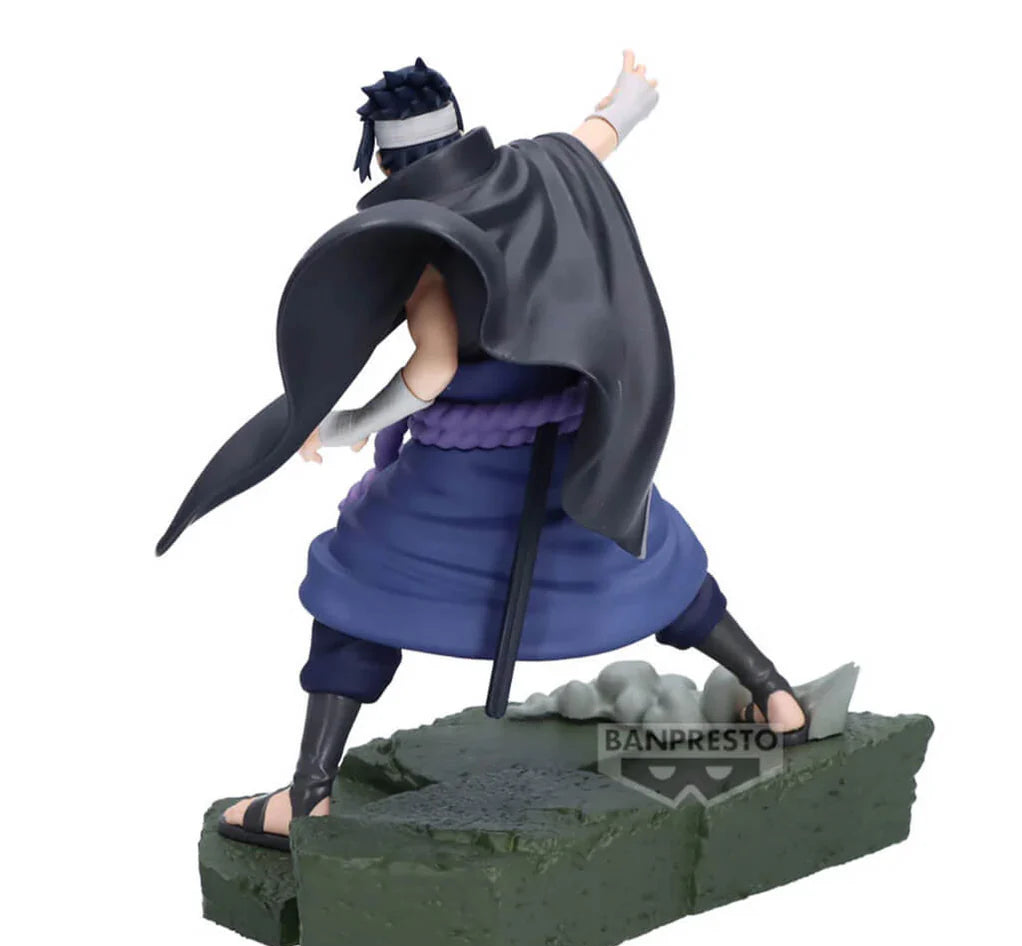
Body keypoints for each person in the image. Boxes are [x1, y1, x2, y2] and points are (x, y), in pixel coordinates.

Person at [158, 53, 808, 852]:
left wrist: (351, 422)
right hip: (576, 457)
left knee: (356, 583)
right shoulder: (543, 174)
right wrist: (628, 98)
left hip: (462, 478)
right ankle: (775, 694)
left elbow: (431, 373)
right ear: (461, 132)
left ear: (385, 164)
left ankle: (309, 795)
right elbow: (595, 138)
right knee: (649, 562)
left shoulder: (429, 253)